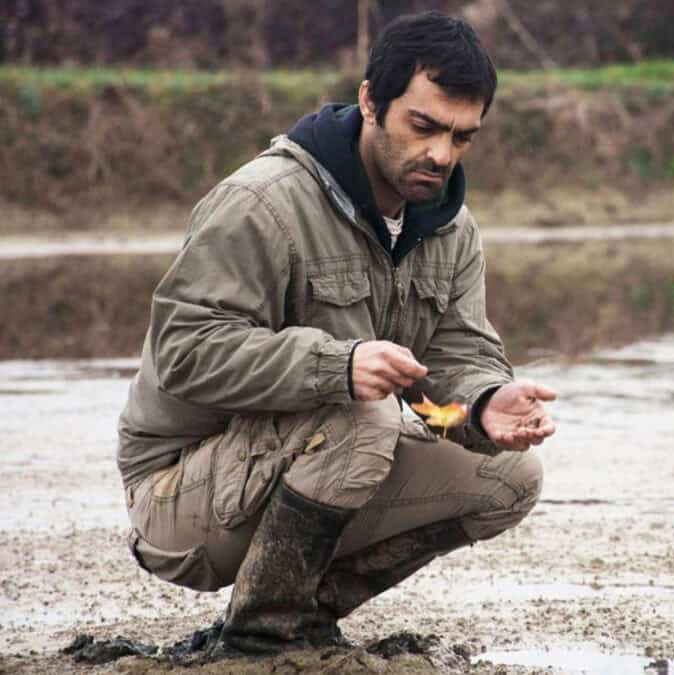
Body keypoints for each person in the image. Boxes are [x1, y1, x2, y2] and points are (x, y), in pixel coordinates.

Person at [116, 11, 555, 657]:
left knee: (513, 473)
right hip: (178, 492)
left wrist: (485, 403)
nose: (441, 154)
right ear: (370, 101)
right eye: (424, 126)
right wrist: (337, 366)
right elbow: (184, 351)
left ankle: (308, 616)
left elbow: (456, 354)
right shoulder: (261, 202)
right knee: (365, 416)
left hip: (313, 459)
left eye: (463, 137)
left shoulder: (451, 229)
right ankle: (261, 636)